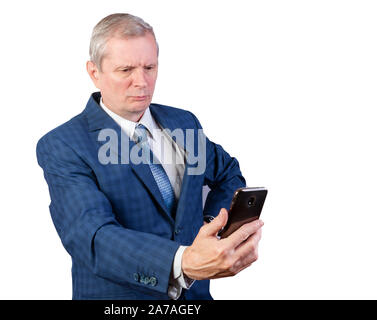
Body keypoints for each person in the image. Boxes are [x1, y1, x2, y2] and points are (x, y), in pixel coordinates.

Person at [36, 13, 264, 300]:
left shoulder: (184, 123)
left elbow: (227, 172)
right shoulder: (64, 144)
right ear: (94, 73)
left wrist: (213, 226)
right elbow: (92, 236)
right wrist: (184, 261)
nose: (141, 82)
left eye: (149, 67)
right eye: (125, 70)